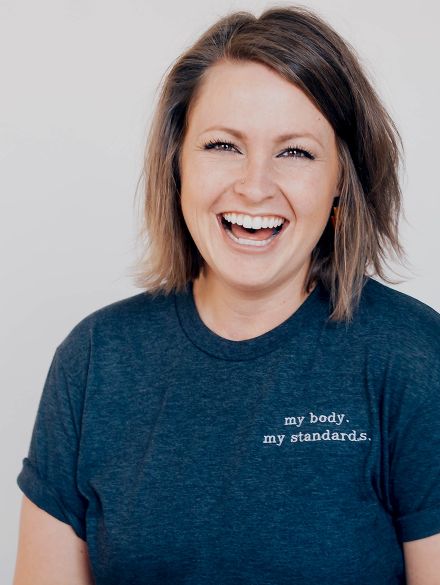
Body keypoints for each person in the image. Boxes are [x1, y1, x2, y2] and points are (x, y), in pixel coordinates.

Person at [13, 5, 440, 585]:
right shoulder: (94, 360)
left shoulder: (412, 357)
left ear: (342, 179)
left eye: (295, 152)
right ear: (177, 165)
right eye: (222, 145)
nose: (254, 186)